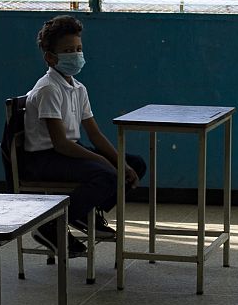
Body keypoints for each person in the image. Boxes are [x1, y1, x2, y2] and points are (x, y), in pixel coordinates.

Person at [20, 15, 147, 253]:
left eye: (78, 49)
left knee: (134, 164)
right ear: (50, 57)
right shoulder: (48, 89)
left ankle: (85, 212)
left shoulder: (78, 88)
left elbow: (95, 134)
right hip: (44, 158)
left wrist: (119, 161)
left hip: (67, 152)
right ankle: (50, 226)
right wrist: (103, 162)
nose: (76, 55)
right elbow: (60, 144)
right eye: (68, 50)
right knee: (106, 173)